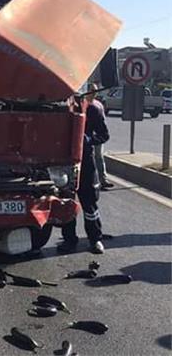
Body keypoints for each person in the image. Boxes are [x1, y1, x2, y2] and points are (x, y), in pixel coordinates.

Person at [58, 94, 110, 254]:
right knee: (66, 202)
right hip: (62, 161)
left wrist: (89, 139)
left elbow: (104, 135)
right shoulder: (58, 108)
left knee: (89, 202)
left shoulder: (92, 109)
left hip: (85, 162)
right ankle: (69, 240)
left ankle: (95, 239)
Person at [86, 83, 114, 190]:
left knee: (99, 157)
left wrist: (99, 136)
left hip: (96, 137)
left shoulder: (98, 105)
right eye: (92, 90)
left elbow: (102, 122)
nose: (94, 93)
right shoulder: (81, 104)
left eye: (96, 91)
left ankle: (103, 180)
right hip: (85, 137)